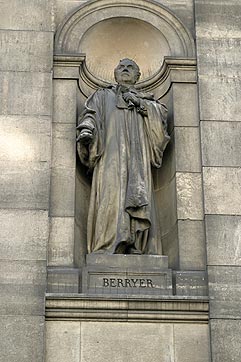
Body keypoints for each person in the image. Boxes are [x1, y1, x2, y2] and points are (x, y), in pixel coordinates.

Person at [77, 58, 170, 255]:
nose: (125, 70)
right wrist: (87, 129)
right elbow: (90, 115)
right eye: (121, 67)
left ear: (138, 76)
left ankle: (137, 243)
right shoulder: (102, 96)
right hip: (110, 154)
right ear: (115, 74)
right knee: (110, 195)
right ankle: (106, 244)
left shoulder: (148, 101)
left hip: (138, 156)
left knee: (138, 192)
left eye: (130, 68)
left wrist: (142, 106)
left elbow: (161, 123)